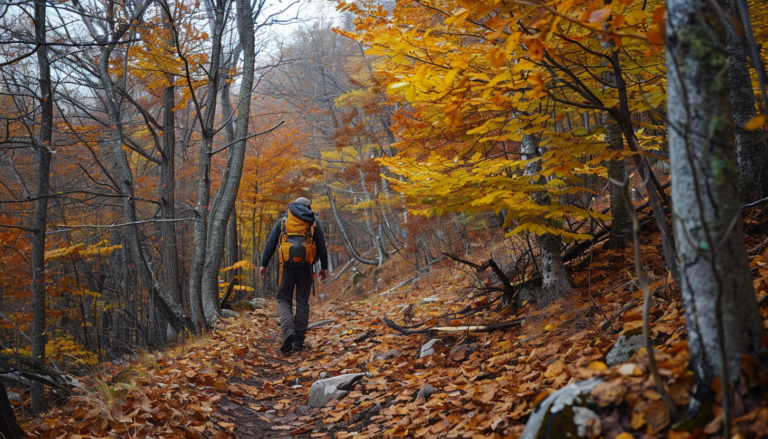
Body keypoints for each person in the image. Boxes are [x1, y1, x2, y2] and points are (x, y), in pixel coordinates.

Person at [259, 197, 328, 354]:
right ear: (308, 206)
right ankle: (298, 342)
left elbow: (270, 243)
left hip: (287, 267)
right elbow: (321, 245)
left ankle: (288, 330)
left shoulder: (283, 220)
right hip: (306, 267)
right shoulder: (313, 220)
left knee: (284, 299)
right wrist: (324, 267)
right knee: (303, 302)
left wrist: (264, 264)